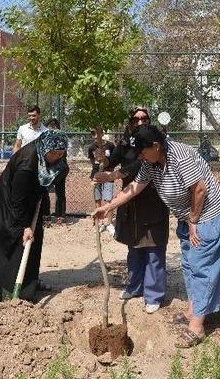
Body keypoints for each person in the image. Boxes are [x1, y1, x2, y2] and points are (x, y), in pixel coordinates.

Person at [93, 125, 220, 348]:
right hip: (189, 216)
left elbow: (199, 189)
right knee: (190, 265)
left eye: (143, 151)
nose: (140, 156)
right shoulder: (151, 162)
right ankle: (194, 310)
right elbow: (136, 186)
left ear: (156, 146)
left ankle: (197, 327)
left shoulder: (180, 155)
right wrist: (109, 207)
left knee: (202, 266)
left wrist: (193, 221)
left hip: (207, 214)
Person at [93, 107, 170, 314]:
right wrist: (103, 158)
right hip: (130, 200)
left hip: (152, 197)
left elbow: (138, 166)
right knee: (134, 245)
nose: (140, 121)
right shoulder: (127, 141)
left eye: (144, 118)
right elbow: (114, 159)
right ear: (130, 121)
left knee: (153, 248)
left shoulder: (156, 140)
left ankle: (153, 294)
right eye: (136, 119)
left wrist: (113, 176)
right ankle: (134, 286)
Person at [0, 130, 69, 302]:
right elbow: (17, 201)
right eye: (54, 154)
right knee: (15, 239)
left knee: (33, 242)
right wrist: (25, 226)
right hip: (9, 204)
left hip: (31, 199)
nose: (57, 157)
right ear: (45, 149)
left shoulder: (52, 152)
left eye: (61, 153)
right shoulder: (27, 164)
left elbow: (57, 172)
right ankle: (5, 289)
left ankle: (29, 283)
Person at [45, 118, 67, 222]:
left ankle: (56, 216)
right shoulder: (47, 138)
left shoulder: (60, 138)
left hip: (59, 167)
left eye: (52, 127)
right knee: (58, 191)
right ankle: (54, 215)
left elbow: (59, 153)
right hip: (52, 168)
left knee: (48, 190)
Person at [88, 129, 115, 211]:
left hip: (108, 174)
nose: (96, 135)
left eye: (97, 133)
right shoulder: (91, 147)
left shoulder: (110, 145)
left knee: (108, 198)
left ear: (102, 133)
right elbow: (92, 161)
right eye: (93, 133)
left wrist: (109, 168)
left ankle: (109, 222)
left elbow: (114, 159)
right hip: (96, 174)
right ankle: (99, 219)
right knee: (97, 197)